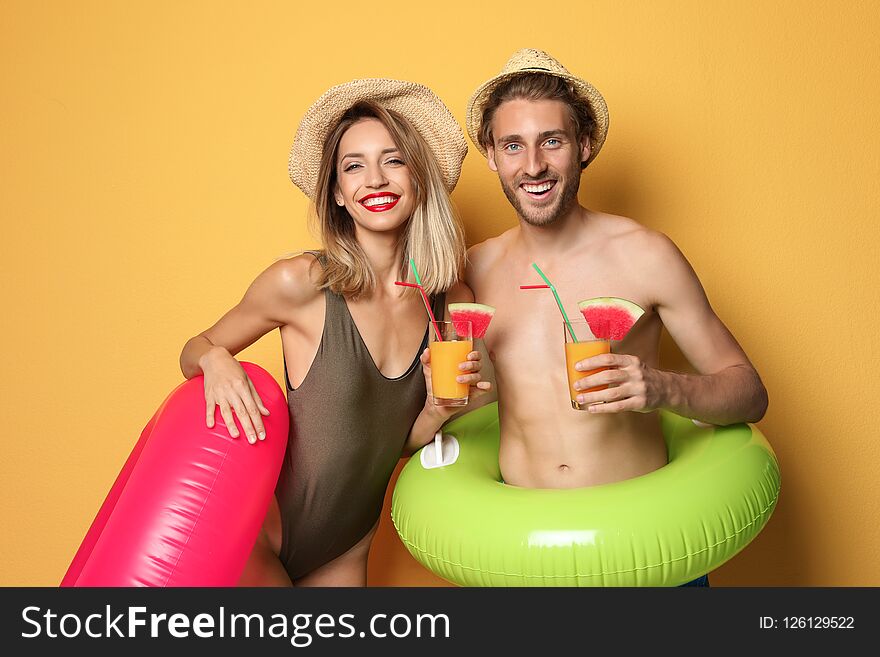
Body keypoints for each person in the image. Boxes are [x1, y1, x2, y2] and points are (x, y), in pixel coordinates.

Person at [463, 51, 768, 586]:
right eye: (513, 145)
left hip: (641, 548)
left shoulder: (645, 255)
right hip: (523, 551)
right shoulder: (474, 270)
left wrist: (661, 387)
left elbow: (749, 393)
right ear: (492, 155)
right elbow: (475, 399)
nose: (532, 165)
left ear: (583, 146)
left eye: (552, 141)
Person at [179, 79, 489, 586]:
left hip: (345, 551)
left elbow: (393, 444)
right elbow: (194, 349)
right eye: (354, 166)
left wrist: (437, 410)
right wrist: (215, 360)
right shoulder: (300, 283)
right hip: (259, 536)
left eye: (393, 160)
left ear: (419, 178)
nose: (375, 179)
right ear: (339, 195)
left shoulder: (450, 304)